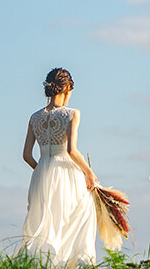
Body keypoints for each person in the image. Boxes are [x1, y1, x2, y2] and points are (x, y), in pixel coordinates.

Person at [18, 67, 99, 268]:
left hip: (41, 172)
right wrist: (89, 173)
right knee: (77, 215)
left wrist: (42, 170)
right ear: (68, 89)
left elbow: (27, 156)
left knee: (45, 223)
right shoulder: (72, 114)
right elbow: (72, 150)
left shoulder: (34, 117)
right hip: (66, 172)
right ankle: (72, 263)